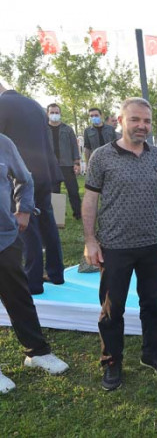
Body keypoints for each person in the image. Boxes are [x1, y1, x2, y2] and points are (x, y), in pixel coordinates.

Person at [83, 97, 157, 391]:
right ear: (120, 121)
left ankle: (151, 353)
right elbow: (90, 200)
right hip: (115, 246)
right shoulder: (102, 157)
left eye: (147, 121)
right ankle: (112, 361)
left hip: (152, 243)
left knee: (153, 304)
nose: (142, 126)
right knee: (112, 308)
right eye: (135, 119)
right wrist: (90, 240)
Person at [0, 133, 69, 394]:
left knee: (19, 297)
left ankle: (37, 352)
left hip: (5, 238)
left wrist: (25, 210)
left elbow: (25, 178)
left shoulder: (4, 143)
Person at [0, 82, 64, 294]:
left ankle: (33, 281)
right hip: (45, 171)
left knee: (27, 225)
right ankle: (56, 273)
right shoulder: (34, 105)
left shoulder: (2, 105)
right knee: (47, 220)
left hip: (22, 176)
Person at [47, 103, 82, 220]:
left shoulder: (68, 129)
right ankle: (57, 218)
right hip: (51, 166)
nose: (54, 114)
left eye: (56, 112)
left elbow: (74, 146)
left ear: (60, 113)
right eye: (52, 112)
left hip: (67, 165)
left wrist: (76, 163)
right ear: (47, 114)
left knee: (73, 191)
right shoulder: (43, 129)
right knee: (54, 192)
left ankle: (78, 214)